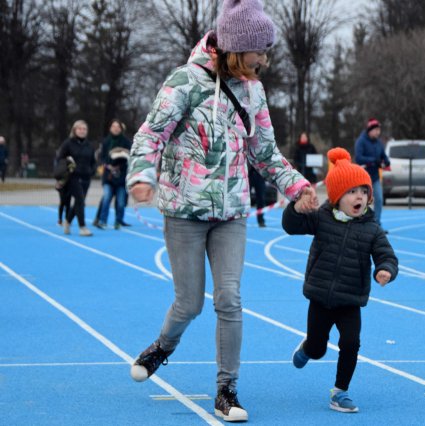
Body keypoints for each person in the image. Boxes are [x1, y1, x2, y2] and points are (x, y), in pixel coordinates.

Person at [125, 1, 317, 422]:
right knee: (189, 303)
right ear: (234, 46)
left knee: (230, 299)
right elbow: (150, 136)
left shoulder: (253, 90)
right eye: (259, 52)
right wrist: (142, 176)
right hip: (184, 212)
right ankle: (163, 346)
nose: (264, 60)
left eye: (267, 52)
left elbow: (265, 153)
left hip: (231, 213)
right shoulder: (184, 83)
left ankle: (226, 390)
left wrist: (297, 187)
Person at [283, 147, 398, 413]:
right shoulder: (322, 218)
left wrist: (386, 270)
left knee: (351, 342)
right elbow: (291, 226)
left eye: (363, 191)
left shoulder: (371, 228)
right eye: (352, 192)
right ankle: (307, 348)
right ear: (336, 197)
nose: (359, 196)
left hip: (350, 300)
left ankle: (340, 391)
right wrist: (297, 209)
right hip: (320, 298)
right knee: (317, 347)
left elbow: (387, 255)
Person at [56, 120, 95, 236]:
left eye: (84, 129)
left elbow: (93, 161)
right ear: (74, 130)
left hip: (86, 177)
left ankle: (67, 221)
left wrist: (92, 171)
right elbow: (60, 158)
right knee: (80, 200)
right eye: (80, 129)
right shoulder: (68, 143)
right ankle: (82, 227)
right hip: (72, 177)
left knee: (79, 201)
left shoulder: (89, 145)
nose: (82, 131)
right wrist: (69, 165)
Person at [95, 119, 132, 230]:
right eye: (113, 126)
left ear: (121, 129)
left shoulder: (126, 142)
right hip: (108, 176)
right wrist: (107, 165)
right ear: (110, 128)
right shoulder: (106, 141)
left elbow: (131, 158)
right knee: (106, 198)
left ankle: (118, 221)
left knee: (121, 202)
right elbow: (101, 157)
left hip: (121, 177)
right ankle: (102, 221)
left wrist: (123, 159)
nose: (115, 128)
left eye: (118, 126)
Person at [354, 118, 390, 230]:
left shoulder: (378, 143)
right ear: (370, 130)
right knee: (362, 201)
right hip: (362, 179)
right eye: (376, 130)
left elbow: (383, 155)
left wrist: (386, 161)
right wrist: (374, 160)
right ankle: (360, 223)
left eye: (379, 130)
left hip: (374, 177)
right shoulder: (361, 141)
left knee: (379, 199)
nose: (378, 132)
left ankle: (376, 224)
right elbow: (359, 158)